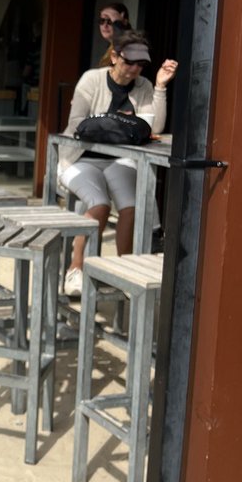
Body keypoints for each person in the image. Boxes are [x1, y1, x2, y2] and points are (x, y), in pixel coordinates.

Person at [58, 30, 178, 297]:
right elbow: (77, 124)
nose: (134, 68)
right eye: (129, 61)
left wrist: (160, 86)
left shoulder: (144, 86)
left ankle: (124, 269)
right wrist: (121, 126)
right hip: (80, 157)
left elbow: (153, 128)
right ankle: (75, 268)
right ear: (114, 56)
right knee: (99, 205)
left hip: (120, 161)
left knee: (131, 207)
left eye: (141, 64)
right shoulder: (92, 79)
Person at [96, 1, 130, 67]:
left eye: (110, 21)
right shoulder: (109, 46)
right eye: (102, 21)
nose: (105, 25)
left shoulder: (129, 45)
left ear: (124, 22)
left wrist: (119, 24)